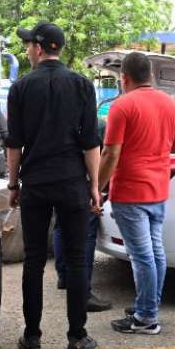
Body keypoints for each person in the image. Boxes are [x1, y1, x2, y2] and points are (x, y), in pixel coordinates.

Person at [6, 21, 101, 349]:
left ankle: (32, 339)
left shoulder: (20, 88)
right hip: (72, 182)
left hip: (35, 183)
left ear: (40, 47)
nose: (26, 49)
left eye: (29, 44)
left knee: (33, 260)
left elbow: (14, 145)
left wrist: (13, 184)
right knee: (77, 260)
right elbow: (91, 143)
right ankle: (77, 339)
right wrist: (95, 187)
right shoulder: (81, 85)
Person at [98, 52, 175, 335]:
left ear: (124, 78)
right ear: (150, 75)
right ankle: (148, 305)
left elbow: (110, 153)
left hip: (130, 191)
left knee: (141, 256)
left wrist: (96, 188)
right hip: (159, 190)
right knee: (154, 252)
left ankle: (146, 317)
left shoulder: (122, 106)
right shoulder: (172, 105)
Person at [52, 116, 111, 312]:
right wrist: (96, 186)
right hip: (83, 183)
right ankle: (83, 291)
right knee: (86, 235)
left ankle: (64, 276)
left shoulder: (58, 120)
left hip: (60, 180)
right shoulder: (96, 124)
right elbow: (102, 154)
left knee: (61, 226)